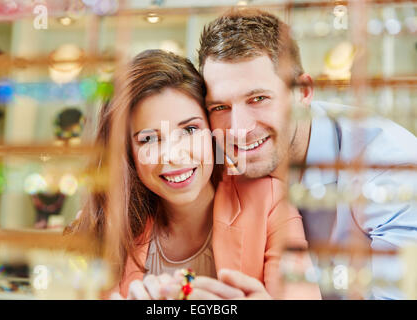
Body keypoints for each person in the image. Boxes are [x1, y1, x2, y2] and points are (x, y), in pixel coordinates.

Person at [163, 8, 416, 300]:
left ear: (304, 92)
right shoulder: (210, 164)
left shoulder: (391, 168)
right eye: (220, 107)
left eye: (258, 99)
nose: (239, 129)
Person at [64, 49, 320, 300]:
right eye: (149, 139)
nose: (174, 155)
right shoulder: (100, 226)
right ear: (128, 153)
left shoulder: (269, 201)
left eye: (189, 130)